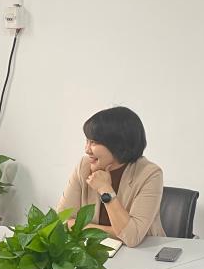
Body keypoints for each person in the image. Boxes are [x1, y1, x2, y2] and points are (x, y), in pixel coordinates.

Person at [57, 106, 164, 247]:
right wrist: (115, 232)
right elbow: (61, 222)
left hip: (142, 254)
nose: (87, 149)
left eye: (94, 142)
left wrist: (105, 189)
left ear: (118, 145)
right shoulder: (84, 166)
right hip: (94, 251)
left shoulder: (149, 174)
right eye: (87, 141)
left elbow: (131, 237)